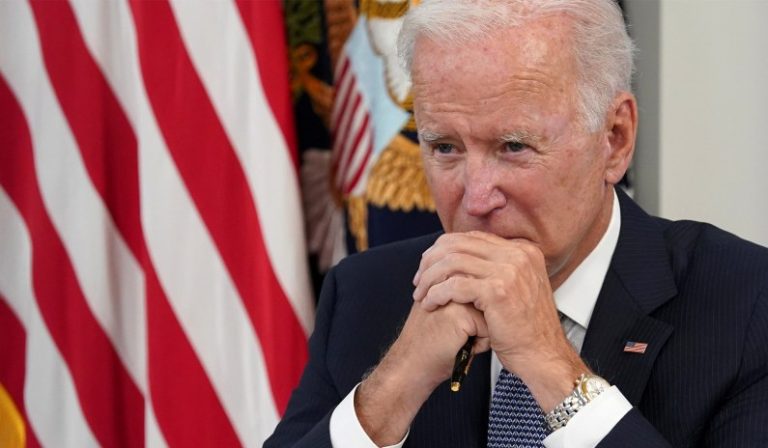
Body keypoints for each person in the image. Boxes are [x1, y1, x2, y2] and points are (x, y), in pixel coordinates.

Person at [265, 0, 768, 446]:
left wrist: (551, 366)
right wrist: (393, 390)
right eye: (445, 147)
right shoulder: (366, 294)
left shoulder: (747, 304)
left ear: (614, 139)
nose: (476, 197)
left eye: (513, 146)